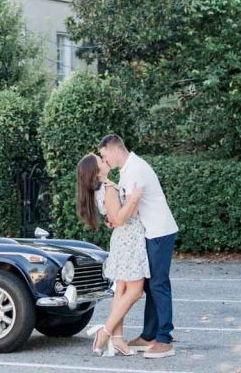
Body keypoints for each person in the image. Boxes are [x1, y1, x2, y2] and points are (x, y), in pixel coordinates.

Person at [99, 134, 178, 360]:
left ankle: (164, 338)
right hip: (149, 232)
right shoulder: (126, 170)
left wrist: (116, 218)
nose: (106, 161)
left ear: (114, 150)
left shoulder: (136, 169)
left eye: (105, 155)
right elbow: (125, 208)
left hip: (159, 231)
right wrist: (114, 218)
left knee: (158, 283)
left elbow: (129, 211)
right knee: (151, 284)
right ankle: (149, 335)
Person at [76, 152, 149, 356]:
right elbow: (120, 218)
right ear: (96, 172)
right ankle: (105, 332)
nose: (104, 160)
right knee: (135, 291)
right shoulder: (107, 188)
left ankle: (118, 340)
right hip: (129, 239)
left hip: (123, 238)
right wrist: (134, 199)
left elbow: (114, 218)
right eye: (100, 161)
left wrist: (120, 213)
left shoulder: (103, 187)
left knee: (122, 289)